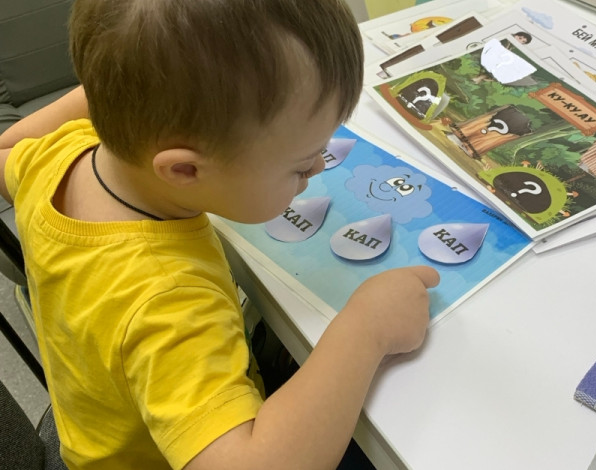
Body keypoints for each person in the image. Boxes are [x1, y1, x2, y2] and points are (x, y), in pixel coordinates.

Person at [0, 1, 440, 469]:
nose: (317, 167)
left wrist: (125, 86)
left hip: (102, 424)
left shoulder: (52, 156)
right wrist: (367, 330)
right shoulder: (169, 301)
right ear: (184, 170)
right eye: (299, 166)